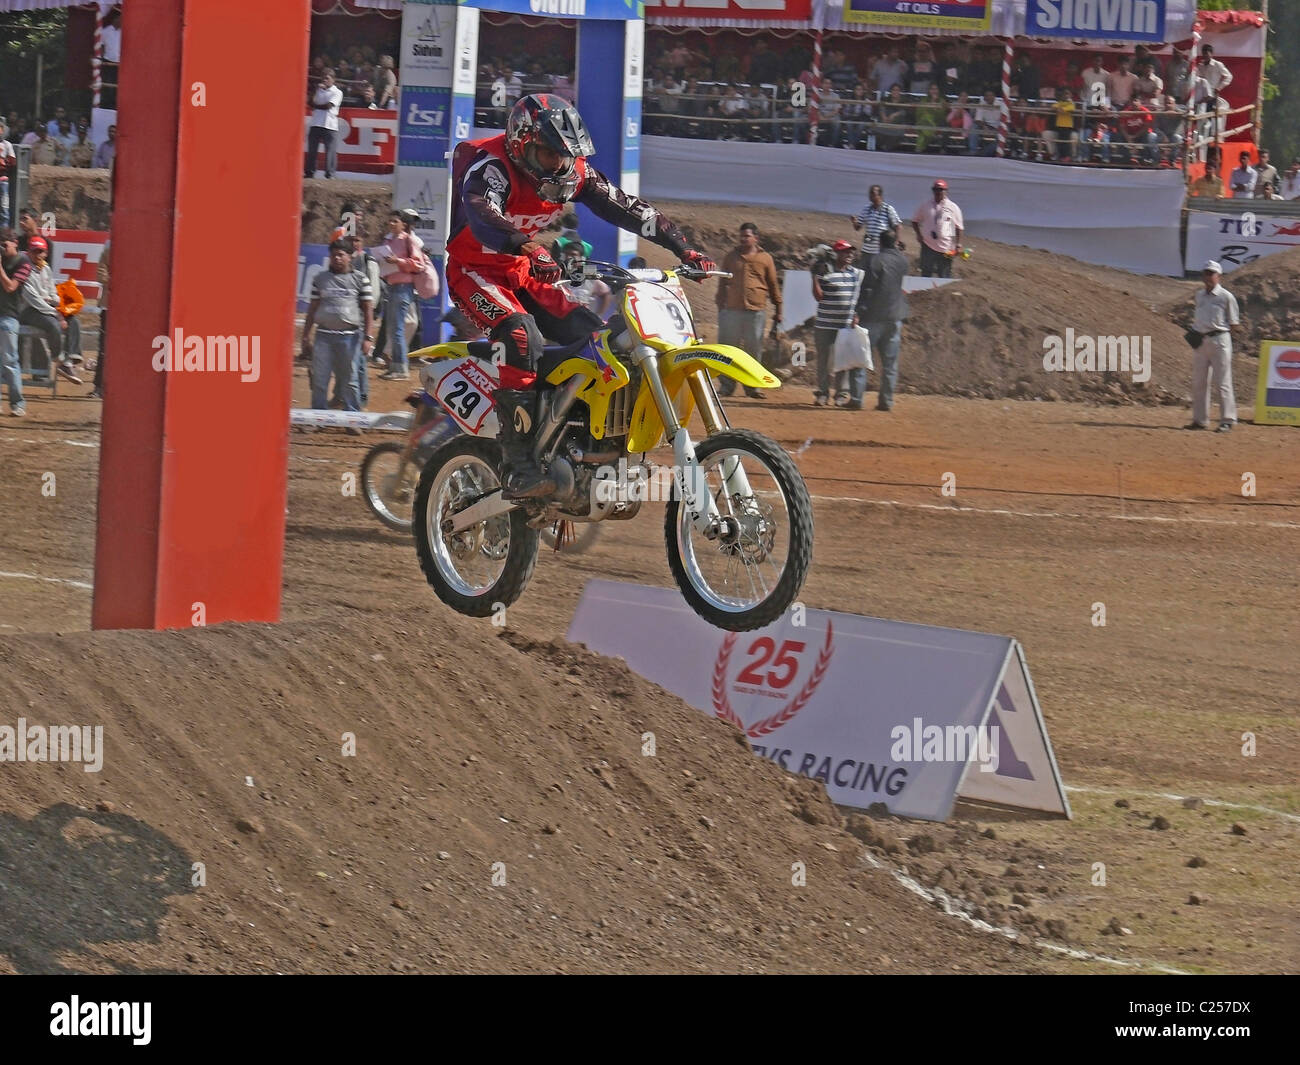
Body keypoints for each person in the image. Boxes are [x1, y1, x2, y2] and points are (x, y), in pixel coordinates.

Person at [446, 93, 714, 498]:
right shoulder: (492, 167)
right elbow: (483, 215)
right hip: (474, 273)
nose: (561, 164)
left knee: (596, 336)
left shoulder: (573, 172)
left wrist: (682, 247)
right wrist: (527, 245)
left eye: (566, 155)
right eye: (550, 154)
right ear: (522, 143)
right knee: (520, 335)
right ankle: (518, 460)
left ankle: (577, 443)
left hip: (521, 273)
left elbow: (627, 208)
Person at [301, 239, 374, 414]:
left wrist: (368, 338)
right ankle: (317, 416)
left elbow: (368, 310)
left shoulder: (360, 279)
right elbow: (312, 308)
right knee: (320, 378)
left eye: (341, 255)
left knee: (350, 379)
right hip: (323, 337)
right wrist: (306, 335)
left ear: (350, 257)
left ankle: (353, 416)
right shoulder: (320, 279)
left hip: (350, 337)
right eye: (333, 255)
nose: (336, 258)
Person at [715, 222, 781, 400]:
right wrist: (721, 308)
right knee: (729, 350)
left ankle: (753, 388)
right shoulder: (731, 257)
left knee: (753, 350)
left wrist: (778, 308)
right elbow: (722, 284)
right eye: (741, 236)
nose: (743, 239)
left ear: (756, 238)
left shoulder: (765, 258)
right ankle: (726, 386)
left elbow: (773, 284)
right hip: (732, 311)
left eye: (747, 236)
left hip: (755, 311)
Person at [857, 230, 909, 412]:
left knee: (862, 360)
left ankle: (856, 399)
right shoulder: (903, 260)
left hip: (872, 317)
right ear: (895, 242)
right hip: (895, 317)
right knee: (890, 364)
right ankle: (886, 401)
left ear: (880, 242)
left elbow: (867, 290)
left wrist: (859, 311)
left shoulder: (874, 261)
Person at [18, 237, 81, 384]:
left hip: (44, 308)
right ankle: (58, 359)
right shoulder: (24, 269)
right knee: (54, 324)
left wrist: (60, 305)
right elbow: (33, 300)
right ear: (29, 252)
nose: (37, 254)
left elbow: (52, 293)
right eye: (34, 251)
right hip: (28, 311)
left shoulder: (46, 268)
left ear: (46, 253)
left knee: (74, 320)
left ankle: (70, 359)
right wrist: (56, 313)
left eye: (40, 251)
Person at [1186, 261, 1239, 433]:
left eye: (1211, 273)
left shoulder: (1226, 297)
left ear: (1219, 276)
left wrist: (1221, 337)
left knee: (1223, 382)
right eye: (1206, 273)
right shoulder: (1199, 295)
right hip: (1201, 341)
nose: (1208, 276)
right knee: (1199, 381)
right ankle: (1200, 420)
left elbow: (1234, 323)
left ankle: (1227, 420)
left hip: (1220, 340)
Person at [810, 240, 864, 408]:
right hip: (824, 324)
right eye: (844, 252)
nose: (849, 255)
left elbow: (858, 297)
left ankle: (841, 394)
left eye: (850, 252)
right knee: (824, 360)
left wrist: (856, 314)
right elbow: (818, 297)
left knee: (843, 361)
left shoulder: (855, 273)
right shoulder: (825, 272)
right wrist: (814, 276)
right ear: (835, 254)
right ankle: (823, 393)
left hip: (845, 325)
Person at [374, 208, 424, 380]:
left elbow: (418, 265)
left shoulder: (409, 240)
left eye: (395, 221)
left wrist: (398, 261)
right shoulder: (389, 241)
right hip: (392, 286)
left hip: (403, 288)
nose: (391, 224)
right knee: (392, 329)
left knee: (397, 330)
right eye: (390, 221)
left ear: (404, 224)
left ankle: (401, 368)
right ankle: (395, 367)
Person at [0, 227, 30, 415]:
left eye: (5, 245)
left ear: (15, 243)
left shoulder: (23, 262)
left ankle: (17, 403)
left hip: (9, 316)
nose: (3, 249)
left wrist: (0, 269)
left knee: (10, 361)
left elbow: (11, 287)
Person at [912, 180, 963, 279]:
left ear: (946, 191)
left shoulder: (953, 207)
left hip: (946, 247)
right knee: (926, 273)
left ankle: (942, 293)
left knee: (944, 275)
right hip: (928, 245)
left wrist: (958, 244)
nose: (938, 192)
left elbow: (959, 227)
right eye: (935, 189)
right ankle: (924, 292)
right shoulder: (925, 205)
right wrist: (918, 234)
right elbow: (914, 220)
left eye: (940, 189)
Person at [850, 184, 902, 275]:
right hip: (867, 249)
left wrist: (896, 242)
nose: (870, 196)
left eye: (873, 193)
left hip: (880, 250)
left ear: (880, 195)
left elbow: (897, 226)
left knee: (877, 274)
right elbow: (857, 227)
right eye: (870, 193)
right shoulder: (867, 209)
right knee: (863, 274)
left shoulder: (888, 209)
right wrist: (854, 221)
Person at [305, 69, 344, 180]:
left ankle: (330, 173)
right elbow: (309, 102)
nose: (324, 80)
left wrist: (316, 106)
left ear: (333, 80)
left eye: (327, 78)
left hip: (330, 124)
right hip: (316, 122)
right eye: (323, 78)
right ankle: (309, 171)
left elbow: (328, 106)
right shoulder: (319, 90)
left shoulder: (337, 92)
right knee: (312, 149)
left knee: (330, 150)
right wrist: (315, 90)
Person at [1045, 88, 1078, 161]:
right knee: (1060, 142)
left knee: (1066, 142)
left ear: (1071, 95)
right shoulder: (1060, 102)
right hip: (1059, 125)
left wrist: (1062, 109)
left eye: (1067, 94)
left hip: (1067, 126)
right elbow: (1054, 106)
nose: (1066, 95)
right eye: (1064, 94)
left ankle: (1067, 156)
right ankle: (1060, 156)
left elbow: (1071, 108)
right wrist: (1059, 108)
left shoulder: (1071, 103)